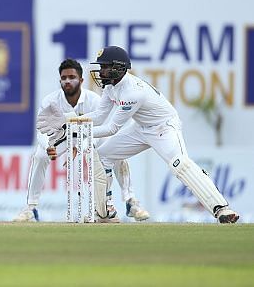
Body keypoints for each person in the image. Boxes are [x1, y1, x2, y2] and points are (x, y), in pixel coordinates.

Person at [40, 45, 239, 224]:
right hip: (140, 127)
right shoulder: (111, 87)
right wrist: (71, 120)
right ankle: (105, 212)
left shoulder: (132, 93)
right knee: (103, 155)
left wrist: (77, 133)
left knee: (179, 163)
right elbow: (100, 117)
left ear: (118, 68)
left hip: (163, 127)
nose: (100, 72)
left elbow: (111, 129)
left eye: (104, 67)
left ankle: (222, 208)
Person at [13, 59, 150, 223]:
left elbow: (102, 128)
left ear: (81, 80)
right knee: (40, 156)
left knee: (114, 150)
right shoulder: (50, 101)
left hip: (89, 137)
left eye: (72, 77)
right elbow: (41, 129)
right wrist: (48, 146)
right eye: (63, 78)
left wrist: (81, 146)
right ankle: (30, 208)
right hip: (61, 138)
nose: (67, 81)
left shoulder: (94, 100)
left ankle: (131, 201)